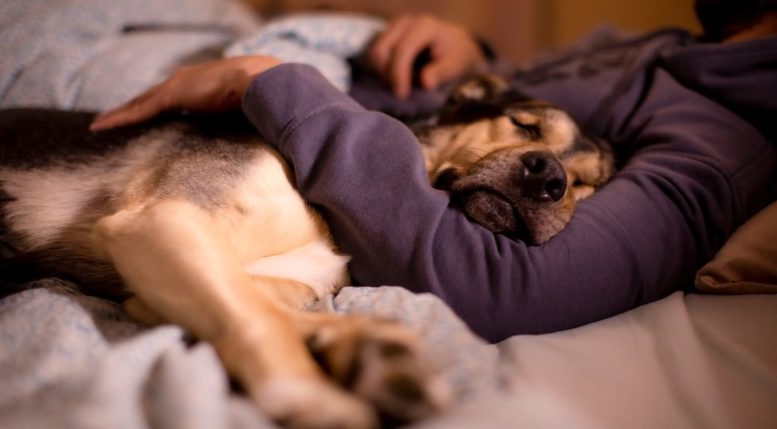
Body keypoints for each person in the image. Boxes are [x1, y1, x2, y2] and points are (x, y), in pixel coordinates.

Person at [90, 1, 777, 342]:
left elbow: (502, 287)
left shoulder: (723, 144)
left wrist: (273, 83)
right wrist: (469, 55)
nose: (555, 176)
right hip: (288, 93)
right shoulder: (674, 46)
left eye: (580, 180)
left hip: (247, 120)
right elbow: (495, 104)